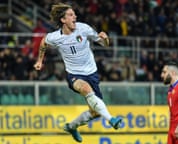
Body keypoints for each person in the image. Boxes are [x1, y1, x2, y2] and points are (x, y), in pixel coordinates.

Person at [33, 3, 122, 143]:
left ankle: (72, 127)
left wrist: (105, 39)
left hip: (92, 74)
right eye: (71, 15)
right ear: (63, 20)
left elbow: (104, 44)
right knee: (86, 89)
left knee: (95, 113)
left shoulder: (84, 28)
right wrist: (40, 61)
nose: (75, 16)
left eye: (74, 14)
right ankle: (111, 119)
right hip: (74, 75)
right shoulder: (55, 37)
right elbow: (43, 42)